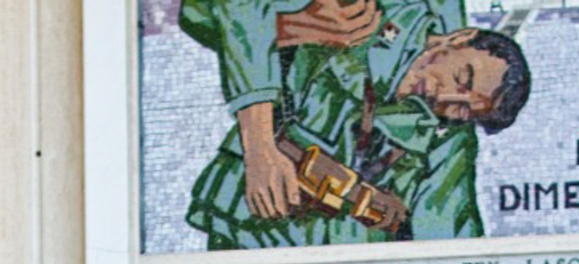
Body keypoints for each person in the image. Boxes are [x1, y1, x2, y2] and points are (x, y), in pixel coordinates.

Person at [181, 0, 531, 248]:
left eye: (462, 110)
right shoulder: (366, 15)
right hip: (254, 231)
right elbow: (209, 10)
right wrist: (259, 147)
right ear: (458, 39)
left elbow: (448, 237)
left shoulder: (444, 137)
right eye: (462, 78)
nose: (447, 97)